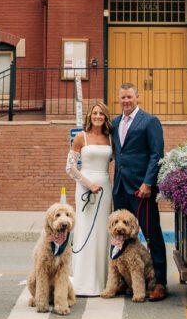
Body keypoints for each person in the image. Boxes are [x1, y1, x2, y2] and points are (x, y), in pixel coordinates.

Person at [111, 82, 167, 301]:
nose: (126, 101)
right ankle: (123, 281)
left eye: (130, 97)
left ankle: (160, 282)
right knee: (120, 236)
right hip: (120, 188)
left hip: (141, 189)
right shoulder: (115, 123)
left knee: (152, 234)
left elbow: (156, 154)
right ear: (119, 99)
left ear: (137, 97)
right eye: (123, 98)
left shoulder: (150, 122)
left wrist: (148, 183)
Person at [65, 99, 113, 296]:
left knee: (102, 232)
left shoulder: (111, 139)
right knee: (85, 230)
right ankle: (84, 282)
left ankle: (102, 282)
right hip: (85, 187)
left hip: (105, 188)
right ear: (89, 116)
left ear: (106, 117)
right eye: (95, 113)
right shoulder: (80, 138)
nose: (98, 117)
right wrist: (88, 184)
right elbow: (70, 168)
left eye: (101, 114)